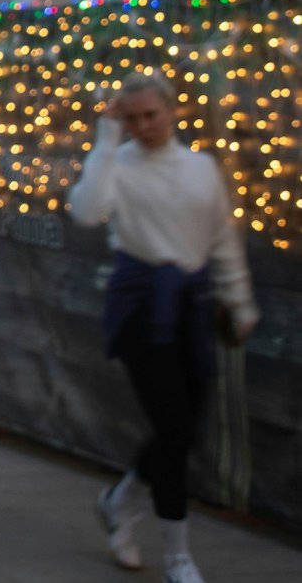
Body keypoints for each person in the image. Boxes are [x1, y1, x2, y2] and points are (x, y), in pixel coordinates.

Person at [69, 73, 257, 583]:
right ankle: (177, 554)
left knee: (183, 427)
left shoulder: (201, 169)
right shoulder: (118, 165)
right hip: (139, 310)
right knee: (173, 428)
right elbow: (87, 211)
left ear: (170, 111)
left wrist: (238, 300)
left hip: (191, 307)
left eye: (150, 114)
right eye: (131, 118)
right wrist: (105, 143)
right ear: (120, 121)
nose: (143, 126)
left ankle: (119, 501)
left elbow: (221, 239)